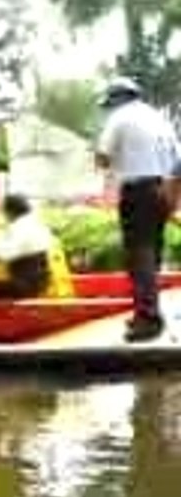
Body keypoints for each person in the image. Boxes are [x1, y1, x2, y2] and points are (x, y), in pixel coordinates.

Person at [95, 76, 181, 342]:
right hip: (163, 188)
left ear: (118, 99)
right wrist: (173, 198)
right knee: (152, 254)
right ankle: (148, 312)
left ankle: (148, 320)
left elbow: (103, 157)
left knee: (139, 255)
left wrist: (108, 166)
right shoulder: (159, 119)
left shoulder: (119, 117)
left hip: (139, 191)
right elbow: (178, 161)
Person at [0, 194, 55, 298]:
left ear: (11, 212)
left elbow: (3, 255)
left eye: (4, 212)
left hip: (25, 284)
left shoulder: (18, 226)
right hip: (40, 282)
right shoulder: (37, 223)